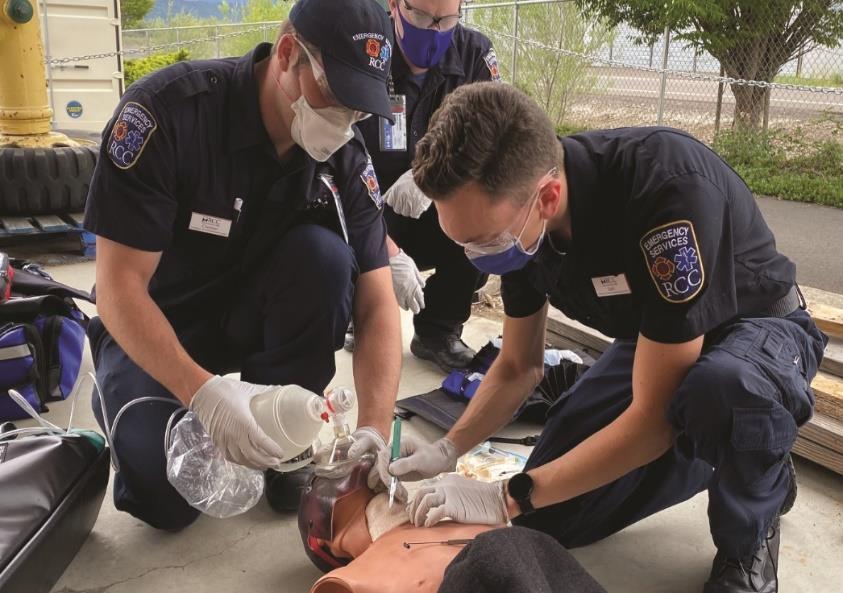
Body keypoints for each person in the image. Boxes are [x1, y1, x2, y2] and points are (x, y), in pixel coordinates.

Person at [372, 82, 827, 593]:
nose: (475, 257)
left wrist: (508, 495)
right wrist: (449, 448)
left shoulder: (665, 193)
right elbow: (521, 366)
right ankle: (729, 451)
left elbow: (652, 420)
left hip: (756, 330)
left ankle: (753, 510)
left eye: (480, 241)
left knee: (719, 391)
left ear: (546, 197)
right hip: (659, 340)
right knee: (552, 514)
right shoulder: (523, 225)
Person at [83, 0, 402, 531]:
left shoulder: (342, 153)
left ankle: (281, 448)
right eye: (334, 95)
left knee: (325, 258)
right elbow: (117, 287)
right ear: (286, 54)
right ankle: (124, 397)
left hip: (249, 322)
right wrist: (201, 392)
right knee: (167, 498)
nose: (344, 121)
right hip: (159, 329)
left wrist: (374, 427)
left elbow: (378, 302)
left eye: (360, 108)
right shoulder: (167, 115)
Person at [347, 0, 503, 372]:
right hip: (367, 209)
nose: (433, 31)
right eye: (420, 16)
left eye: (446, 20)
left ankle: (438, 330)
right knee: (326, 240)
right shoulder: (364, 51)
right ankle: (363, 311)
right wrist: (383, 248)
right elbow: (334, 158)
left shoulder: (474, 56)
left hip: (436, 208)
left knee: (482, 217)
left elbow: (495, 137)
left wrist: (432, 174)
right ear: (395, 5)